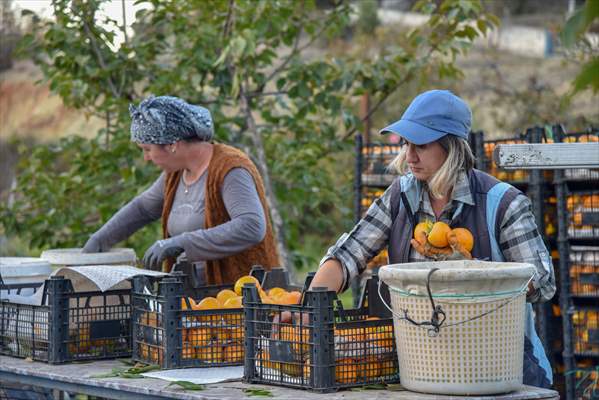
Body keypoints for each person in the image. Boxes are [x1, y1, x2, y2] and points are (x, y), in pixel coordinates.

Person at [309, 90, 556, 388]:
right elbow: (348, 255)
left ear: (451, 148)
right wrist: (309, 309)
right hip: (422, 365)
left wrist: (473, 273)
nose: (409, 156)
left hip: (497, 367)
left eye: (421, 145)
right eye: (406, 143)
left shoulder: (503, 203)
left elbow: (542, 281)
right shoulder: (400, 197)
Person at [82, 95, 279, 285]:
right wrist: (99, 239)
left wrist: (181, 243)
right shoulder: (175, 174)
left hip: (239, 299)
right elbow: (143, 209)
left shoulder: (230, 169)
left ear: (172, 144)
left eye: (147, 149)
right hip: (195, 301)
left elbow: (251, 225)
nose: (146, 158)